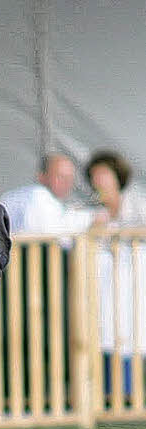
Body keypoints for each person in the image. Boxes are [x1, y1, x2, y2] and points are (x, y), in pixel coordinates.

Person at [85, 150, 146, 395]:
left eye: (104, 174)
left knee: (135, 332)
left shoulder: (138, 203)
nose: (99, 181)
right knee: (109, 333)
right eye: (95, 176)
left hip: (137, 283)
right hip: (106, 286)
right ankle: (115, 393)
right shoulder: (90, 210)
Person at [0, 152, 97, 236]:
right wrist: (91, 219)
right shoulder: (38, 195)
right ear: (42, 177)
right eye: (61, 176)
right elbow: (55, 234)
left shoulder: (20, 195)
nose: (67, 182)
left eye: (70, 177)